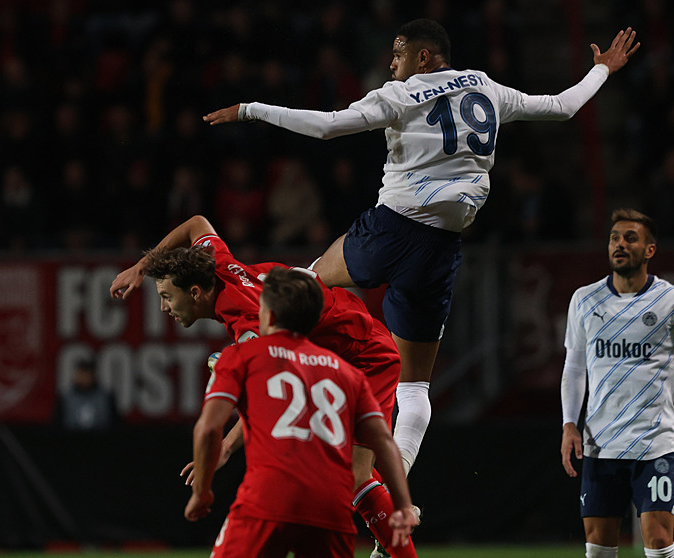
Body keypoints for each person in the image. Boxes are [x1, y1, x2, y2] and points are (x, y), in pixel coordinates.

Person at [202, 18, 641, 484]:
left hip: (392, 229)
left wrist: (251, 108)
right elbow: (562, 106)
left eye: (398, 54)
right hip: (440, 249)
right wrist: (602, 71)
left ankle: (251, 345)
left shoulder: (398, 95)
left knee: (302, 281)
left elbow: (328, 127)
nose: (391, 63)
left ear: (424, 58)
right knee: (414, 387)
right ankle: (397, 486)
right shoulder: (487, 88)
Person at [109, 215, 418, 557]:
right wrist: (142, 266)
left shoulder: (251, 326)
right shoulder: (217, 263)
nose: (164, 307)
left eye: (167, 296)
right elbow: (197, 224)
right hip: (341, 345)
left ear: (195, 292)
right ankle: (390, 521)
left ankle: (394, 536)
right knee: (343, 471)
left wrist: (225, 447)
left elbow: (275, 391)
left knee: (355, 474)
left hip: (366, 355)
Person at [184, 266, 417, 557]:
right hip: (331, 507)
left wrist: (202, 489)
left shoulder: (244, 357)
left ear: (267, 316)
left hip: (269, 497)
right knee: (359, 476)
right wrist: (403, 504)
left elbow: (208, 428)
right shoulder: (345, 374)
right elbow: (383, 443)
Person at [560, 208, 674, 558]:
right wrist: (568, 424)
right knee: (598, 549)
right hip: (600, 444)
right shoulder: (584, 300)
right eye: (614, 238)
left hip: (656, 444)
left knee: (657, 542)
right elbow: (575, 367)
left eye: (630, 238)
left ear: (649, 250)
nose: (619, 244)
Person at [56, 358, 119, 431]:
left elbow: (115, 424)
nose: (84, 378)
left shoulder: (106, 397)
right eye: (81, 374)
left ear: (93, 375)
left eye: (87, 374)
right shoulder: (66, 398)